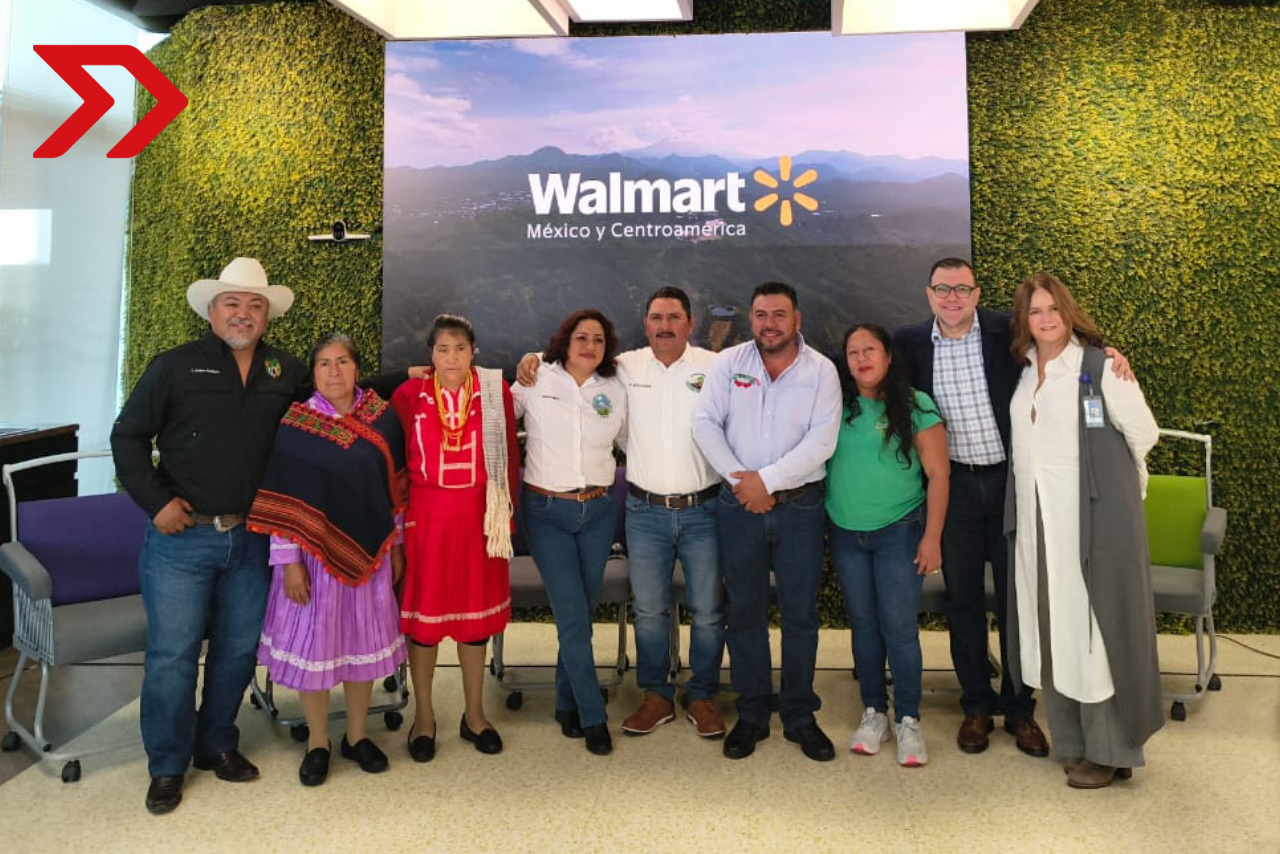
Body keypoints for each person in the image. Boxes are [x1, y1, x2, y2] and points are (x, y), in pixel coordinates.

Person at [111, 257, 409, 815]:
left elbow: (340, 391)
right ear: (211, 311)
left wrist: (412, 374)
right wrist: (156, 503)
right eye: (232, 303)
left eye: (254, 305)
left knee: (236, 650)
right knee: (173, 655)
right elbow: (127, 437)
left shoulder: (284, 370)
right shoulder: (174, 367)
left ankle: (217, 745)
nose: (243, 314)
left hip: (252, 537)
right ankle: (168, 765)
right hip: (183, 538)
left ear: (267, 315)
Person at [893, 258, 1131, 757]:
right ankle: (977, 706)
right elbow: (867, 371)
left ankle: (1021, 708)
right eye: (942, 289)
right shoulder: (910, 343)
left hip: (1012, 484)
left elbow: (1062, 339)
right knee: (962, 602)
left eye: (962, 289)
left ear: (977, 294)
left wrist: (1109, 354)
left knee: (1018, 598)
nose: (952, 298)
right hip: (953, 488)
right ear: (929, 294)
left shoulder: (1007, 330)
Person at [518, 287, 725, 740]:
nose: (665, 325)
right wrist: (531, 358)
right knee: (646, 611)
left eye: (674, 317)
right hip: (642, 512)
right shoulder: (625, 368)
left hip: (701, 510)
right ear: (645, 324)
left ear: (690, 323)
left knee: (709, 611)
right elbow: (546, 375)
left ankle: (702, 696)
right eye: (657, 317)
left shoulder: (714, 367)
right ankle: (654, 696)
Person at [1004, 272, 1162, 789]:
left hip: (1087, 524)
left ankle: (1112, 750)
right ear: (1025, 321)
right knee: (1054, 634)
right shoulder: (1025, 373)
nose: (1045, 319)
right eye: (1035, 311)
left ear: (1068, 312)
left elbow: (1143, 434)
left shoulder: (1099, 368)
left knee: (1095, 635)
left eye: (1053, 308)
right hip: (1037, 526)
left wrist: (1114, 497)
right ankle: (1073, 744)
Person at [247, 333, 408, 786]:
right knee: (314, 650)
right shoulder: (296, 425)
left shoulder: (382, 418)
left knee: (361, 646)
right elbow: (283, 501)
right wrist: (289, 562)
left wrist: (395, 546)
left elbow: (395, 492)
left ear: (357, 368)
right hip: (312, 561)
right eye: (323, 363)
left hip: (370, 557)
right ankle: (318, 742)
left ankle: (357, 736)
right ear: (313, 372)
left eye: (342, 362)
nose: (333, 371)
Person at [692, 281, 842, 762]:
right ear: (751, 319)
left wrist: (767, 482)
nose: (769, 323)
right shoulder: (729, 363)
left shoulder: (821, 371)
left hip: (800, 508)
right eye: (761, 314)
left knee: (800, 614)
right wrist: (743, 482)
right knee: (745, 612)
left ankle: (799, 715)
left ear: (797, 319)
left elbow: (822, 442)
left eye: (779, 314)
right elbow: (705, 424)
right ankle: (753, 712)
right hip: (739, 507)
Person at [391, 314, 520, 760]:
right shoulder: (409, 395)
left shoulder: (495, 392)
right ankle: (424, 719)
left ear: (473, 351)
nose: (452, 358)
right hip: (426, 521)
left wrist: (504, 521)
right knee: (424, 627)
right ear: (430, 354)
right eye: (443, 349)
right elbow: (393, 462)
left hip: (479, 519)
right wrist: (397, 529)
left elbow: (511, 457)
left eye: (460, 349)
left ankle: (475, 715)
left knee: (474, 624)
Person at [827, 324, 949, 767]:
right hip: (847, 533)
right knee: (864, 626)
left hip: (900, 531)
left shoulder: (916, 405)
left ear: (888, 356)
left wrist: (932, 537)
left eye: (870, 350)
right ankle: (874, 711)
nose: (862, 359)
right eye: (853, 352)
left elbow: (939, 475)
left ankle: (909, 719)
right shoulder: (835, 406)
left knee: (898, 628)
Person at [512, 309, 627, 756]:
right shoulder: (536, 375)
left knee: (579, 611)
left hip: (598, 511)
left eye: (598, 339)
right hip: (547, 512)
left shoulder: (615, 387)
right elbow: (497, 415)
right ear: (565, 340)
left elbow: (630, 440)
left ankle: (566, 702)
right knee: (574, 616)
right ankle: (593, 714)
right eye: (582, 337)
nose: (590, 346)